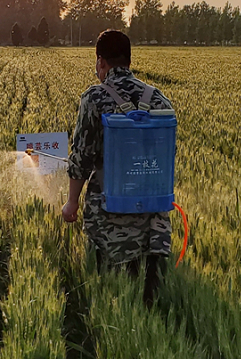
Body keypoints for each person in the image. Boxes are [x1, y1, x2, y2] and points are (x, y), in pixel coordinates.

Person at [62, 30, 174, 307]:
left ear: (101, 62)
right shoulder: (159, 99)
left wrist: (71, 203)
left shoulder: (94, 99)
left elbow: (81, 157)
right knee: (152, 301)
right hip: (153, 221)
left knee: (113, 298)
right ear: (128, 60)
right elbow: (166, 158)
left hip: (109, 220)